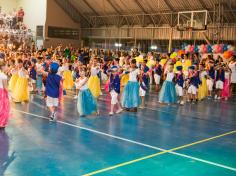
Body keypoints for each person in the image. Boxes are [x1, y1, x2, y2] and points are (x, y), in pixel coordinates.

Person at [0, 61, 10, 129]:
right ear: (3, 67)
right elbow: (5, 87)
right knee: (3, 108)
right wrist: (11, 92)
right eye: (6, 66)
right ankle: (1, 123)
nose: (7, 67)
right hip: (2, 93)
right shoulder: (4, 76)